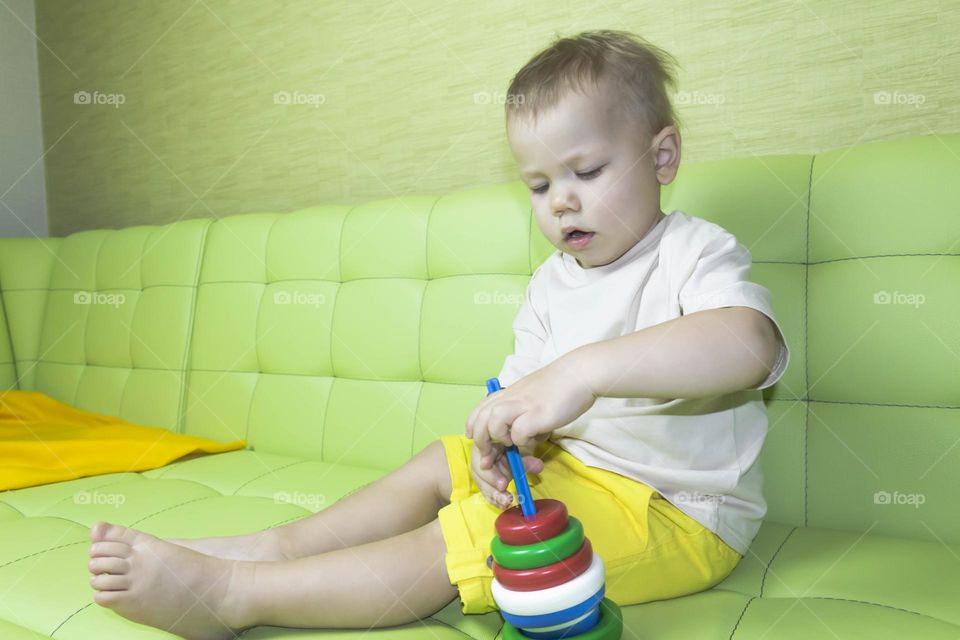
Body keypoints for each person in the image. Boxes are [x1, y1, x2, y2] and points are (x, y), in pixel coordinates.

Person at [87, 29, 789, 639]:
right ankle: (273, 549)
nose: (563, 200)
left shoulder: (691, 252)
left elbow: (748, 345)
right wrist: (503, 447)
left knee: (469, 537)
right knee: (440, 461)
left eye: (588, 171)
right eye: (540, 185)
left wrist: (581, 372)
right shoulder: (553, 282)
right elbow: (526, 403)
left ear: (662, 158)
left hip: (676, 516)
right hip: (576, 476)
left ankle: (232, 598)